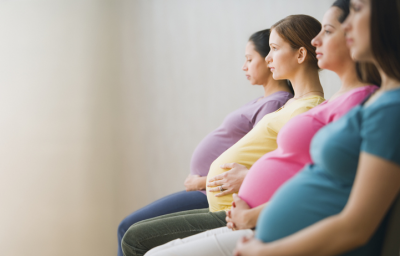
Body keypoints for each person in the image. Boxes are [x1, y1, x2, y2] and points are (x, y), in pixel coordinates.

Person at [142, 1, 380, 255]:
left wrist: (250, 205)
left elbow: (318, 181)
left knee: (139, 240)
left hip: (254, 218)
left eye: (328, 31)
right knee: (141, 238)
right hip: (246, 213)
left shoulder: (344, 104)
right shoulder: (325, 103)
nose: (316, 41)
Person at [122, 14, 325, 256]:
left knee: (135, 237)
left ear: (300, 55)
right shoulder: (294, 104)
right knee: (134, 232)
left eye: (273, 49)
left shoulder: (308, 109)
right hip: (225, 207)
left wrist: (249, 175)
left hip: (238, 211)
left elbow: (300, 172)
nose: (268, 57)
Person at [234, 0, 400, 255]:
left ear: (389, 15)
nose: (348, 26)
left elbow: (356, 226)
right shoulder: (374, 101)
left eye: (357, 10)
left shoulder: (388, 107)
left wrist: (263, 250)